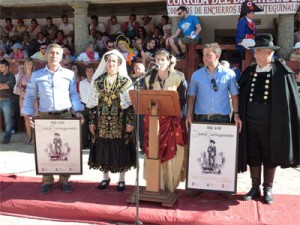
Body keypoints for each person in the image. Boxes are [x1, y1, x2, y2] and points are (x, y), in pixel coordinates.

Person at [238, 33, 300, 204]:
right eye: (255, 51)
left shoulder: (282, 73)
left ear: (269, 53)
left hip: (271, 122)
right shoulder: (250, 71)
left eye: (259, 51)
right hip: (250, 120)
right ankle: (254, 186)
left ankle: (268, 188)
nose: (255, 54)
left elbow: (290, 100)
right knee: (253, 153)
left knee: (270, 154)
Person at [22, 43, 84, 194]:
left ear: (62, 56)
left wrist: (78, 110)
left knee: (65, 148)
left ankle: (64, 180)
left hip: (65, 115)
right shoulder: (37, 75)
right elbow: (30, 96)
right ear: (46, 55)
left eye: (57, 53)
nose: (54, 56)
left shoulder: (69, 74)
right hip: (45, 116)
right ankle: (47, 180)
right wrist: (28, 115)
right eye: (51, 53)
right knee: (46, 149)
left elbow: (73, 95)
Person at [185, 43, 242, 198]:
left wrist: (236, 114)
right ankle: (197, 184)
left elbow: (235, 95)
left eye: (207, 55)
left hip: (222, 118)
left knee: (221, 152)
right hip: (201, 118)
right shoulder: (196, 75)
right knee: (201, 152)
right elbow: (191, 96)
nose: (204, 58)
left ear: (217, 56)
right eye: (203, 55)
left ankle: (223, 186)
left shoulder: (229, 74)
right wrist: (189, 114)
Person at [86, 49, 136, 192]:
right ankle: (105, 177)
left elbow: (131, 104)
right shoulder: (99, 81)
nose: (111, 63)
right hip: (101, 123)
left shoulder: (125, 81)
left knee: (121, 149)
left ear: (119, 63)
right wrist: (91, 121)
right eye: (108, 61)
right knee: (103, 148)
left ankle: (121, 179)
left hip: (120, 122)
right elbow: (92, 104)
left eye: (114, 61)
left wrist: (130, 122)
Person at [143, 50, 187, 192]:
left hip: (170, 122)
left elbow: (182, 99)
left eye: (163, 59)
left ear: (169, 62)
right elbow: (144, 98)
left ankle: (169, 184)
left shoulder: (177, 77)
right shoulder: (148, 78)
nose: (160, 62)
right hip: (153, 122)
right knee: (152, 152)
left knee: (173, 153)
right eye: (158, 59)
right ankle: (155, 184)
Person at [15, 58, 38, 144]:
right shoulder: (21, 76)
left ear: (33, 65)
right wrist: (22, 90)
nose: (29, 65)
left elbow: (40, 88)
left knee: (35, 118)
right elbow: (17, 87)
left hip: (34, 100)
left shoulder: (36, 75)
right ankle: (29, 137)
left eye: (30, 64)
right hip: (23, 99)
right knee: (26, 118)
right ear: (25, 65)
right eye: (27, 63)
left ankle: (35, 138)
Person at [0, 59, 16, 144]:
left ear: (7, 67)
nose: (0, 68)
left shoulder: (11, 76)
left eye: (2, 66)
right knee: (8, 120)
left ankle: (7, 138)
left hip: (7, 100)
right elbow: (5, 85)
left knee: (8, 121)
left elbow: (9, 86)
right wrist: (4, 85)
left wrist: (5, 85)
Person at [79, 65, 95, 149]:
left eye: (91, 71)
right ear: (85, 72)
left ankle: (93, 144)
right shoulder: (82, 83)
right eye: (88, 71)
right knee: (84, 127)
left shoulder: (96, 82)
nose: (89, 73)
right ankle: (84, 144)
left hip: (93, 106)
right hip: (84, 106)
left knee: (93, 126)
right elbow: (81, 95)